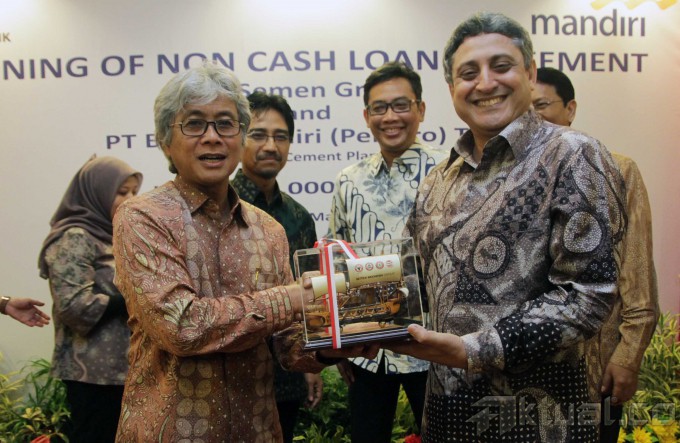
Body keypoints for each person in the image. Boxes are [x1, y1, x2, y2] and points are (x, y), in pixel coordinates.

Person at [385, 12, 627, 442]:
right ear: (452, 88)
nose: (485, 83)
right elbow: (412, 282)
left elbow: (588, 295)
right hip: (444, 419)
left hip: (536, 422)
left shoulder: (573, 155)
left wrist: (474, 350)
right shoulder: (438, 180)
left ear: (530, 74)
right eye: (468, 73)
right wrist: (351, 320)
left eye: (501, 66)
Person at [112, 61, 376, 443]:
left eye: (225, 124)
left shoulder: (269, 229)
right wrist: (293, 297)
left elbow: (287, 345)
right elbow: (182, 327)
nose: (212, 137)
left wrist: (336, 342)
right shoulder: (142, 217)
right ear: (166, 140)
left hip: (258, 430)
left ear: (240, 136)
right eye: (194, 124)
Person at [532, 66, 659, 442]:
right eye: (524, 110)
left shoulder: (617, 170)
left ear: (570, 109)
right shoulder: (507, 181)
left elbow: (637, 268)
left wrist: (628, 355)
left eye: (542, 105)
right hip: (525, 363)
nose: (533, 118)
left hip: (595, 362)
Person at [328, 61, 447, 442]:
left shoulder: (450, 172)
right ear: (366, 116)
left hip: (434, 345)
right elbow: (336, 259)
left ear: (420, 110)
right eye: (379, 108)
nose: (390, 117)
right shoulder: (349, 181)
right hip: (369, 347)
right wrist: (342, 340)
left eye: (401, 105)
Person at [231, 91, 323, 443]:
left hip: (287, 375)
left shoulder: (298, 216)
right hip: (230, 376)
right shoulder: (218, 207)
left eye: (280, 136)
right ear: (239, 138)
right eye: (258, 135)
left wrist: (311, 364)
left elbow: (312, 295)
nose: (271, 146)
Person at [37, 155, 142, 443]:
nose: (131, 200)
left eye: (134, 191)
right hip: (93, 375)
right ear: (97, 192)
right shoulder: (75, 237)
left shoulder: (117, 235)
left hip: (125, 369)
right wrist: (135, 298)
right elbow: (74, 306)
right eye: (122, 192)